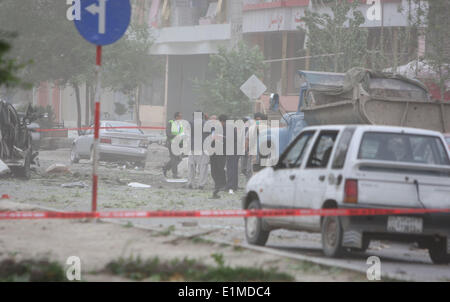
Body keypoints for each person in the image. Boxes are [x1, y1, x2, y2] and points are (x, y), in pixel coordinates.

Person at [187, 111, 209, 190]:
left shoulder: (189, 123)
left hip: (192, 147)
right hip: (203, 148)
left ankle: (190, 183)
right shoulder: (206, 123)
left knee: (191, 166)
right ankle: (201, 184)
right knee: (203, 167)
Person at [210, 114, 227, 199]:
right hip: (213, 150)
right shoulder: (213, 127)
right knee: (214, 168)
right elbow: (211, 138)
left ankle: (222, 184)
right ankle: (217, 184)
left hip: (222, 151)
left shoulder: (227, 128)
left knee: (220, 168)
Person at [163, 112, 184, 178]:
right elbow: (168, 134)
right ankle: (175, 174)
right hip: (171, 143)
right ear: (176, 117)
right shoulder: (171, 123)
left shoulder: (181, 125)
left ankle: (165, 168)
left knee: (178, 159)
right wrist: (177, 136)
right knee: (174, 158)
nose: (181, 118)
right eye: (180, 117)